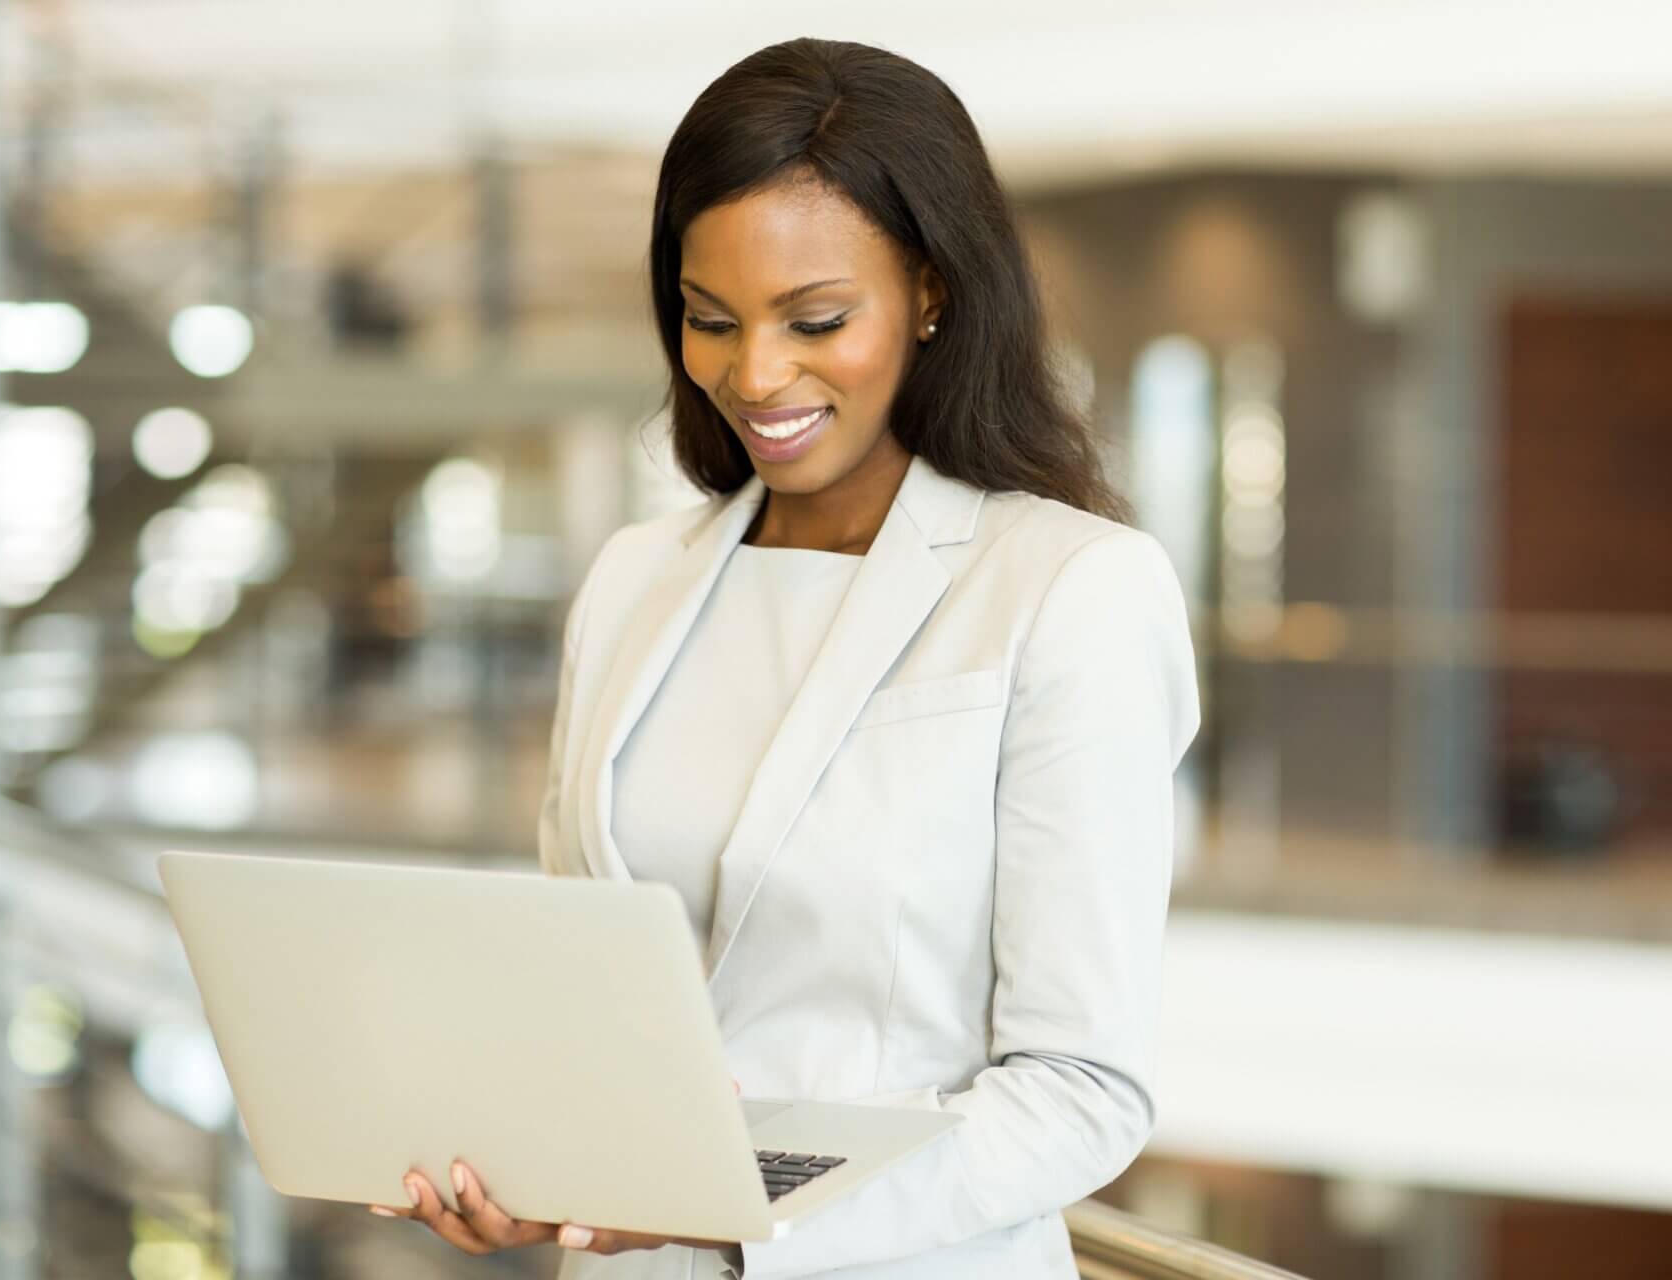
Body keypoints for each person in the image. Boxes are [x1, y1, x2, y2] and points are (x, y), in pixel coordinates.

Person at [371, 36, 1198, 1279]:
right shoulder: (633, 580)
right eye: (711, 319)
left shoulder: (1071, 589)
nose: (754, 374)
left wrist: (732, 1205)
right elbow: (582, 989)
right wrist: (516, 1155)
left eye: (816, 320)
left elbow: (1082, 1089)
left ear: (930, 290)